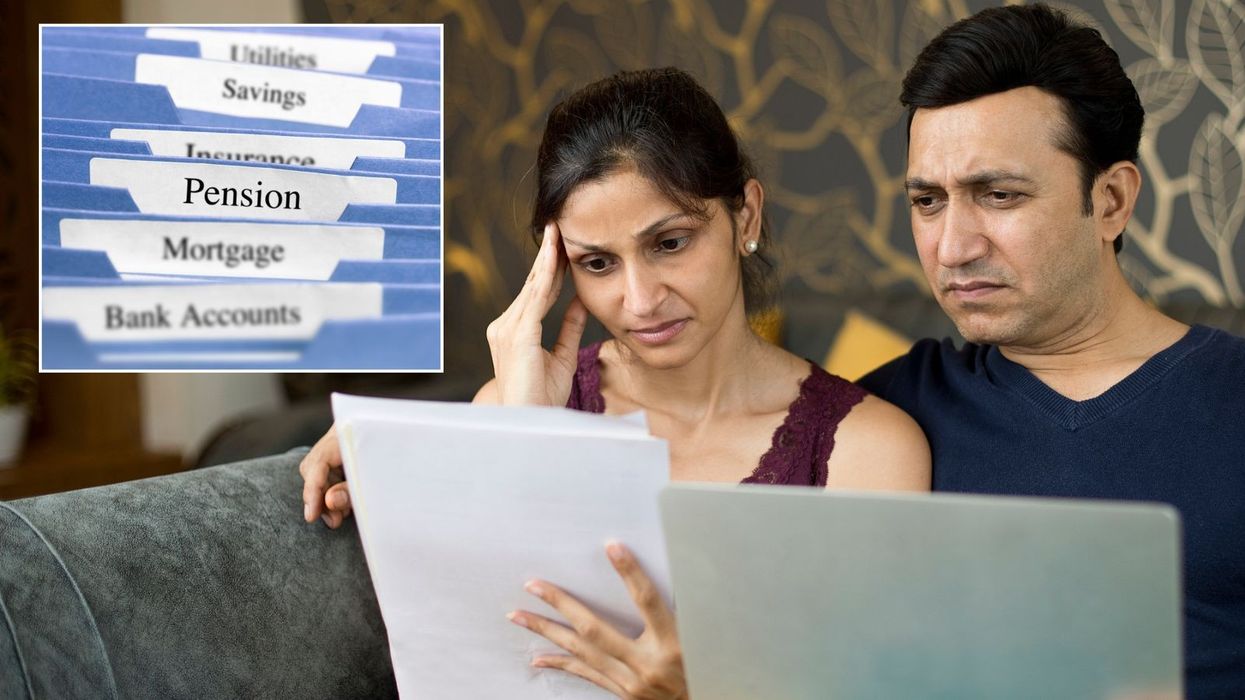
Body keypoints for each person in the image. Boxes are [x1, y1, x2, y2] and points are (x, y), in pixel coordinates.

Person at [300, 68, 930, 698]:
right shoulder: (517, 412)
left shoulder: (866, 451)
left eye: (671, 242)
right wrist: (473, 444)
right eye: (596, 263)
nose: (640, 300)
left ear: (746, 217)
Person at [855, 5, 1245, 698]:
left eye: (997, 195)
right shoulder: (884, 417)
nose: (952, 247)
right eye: (927, 201)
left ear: (1111, 200)